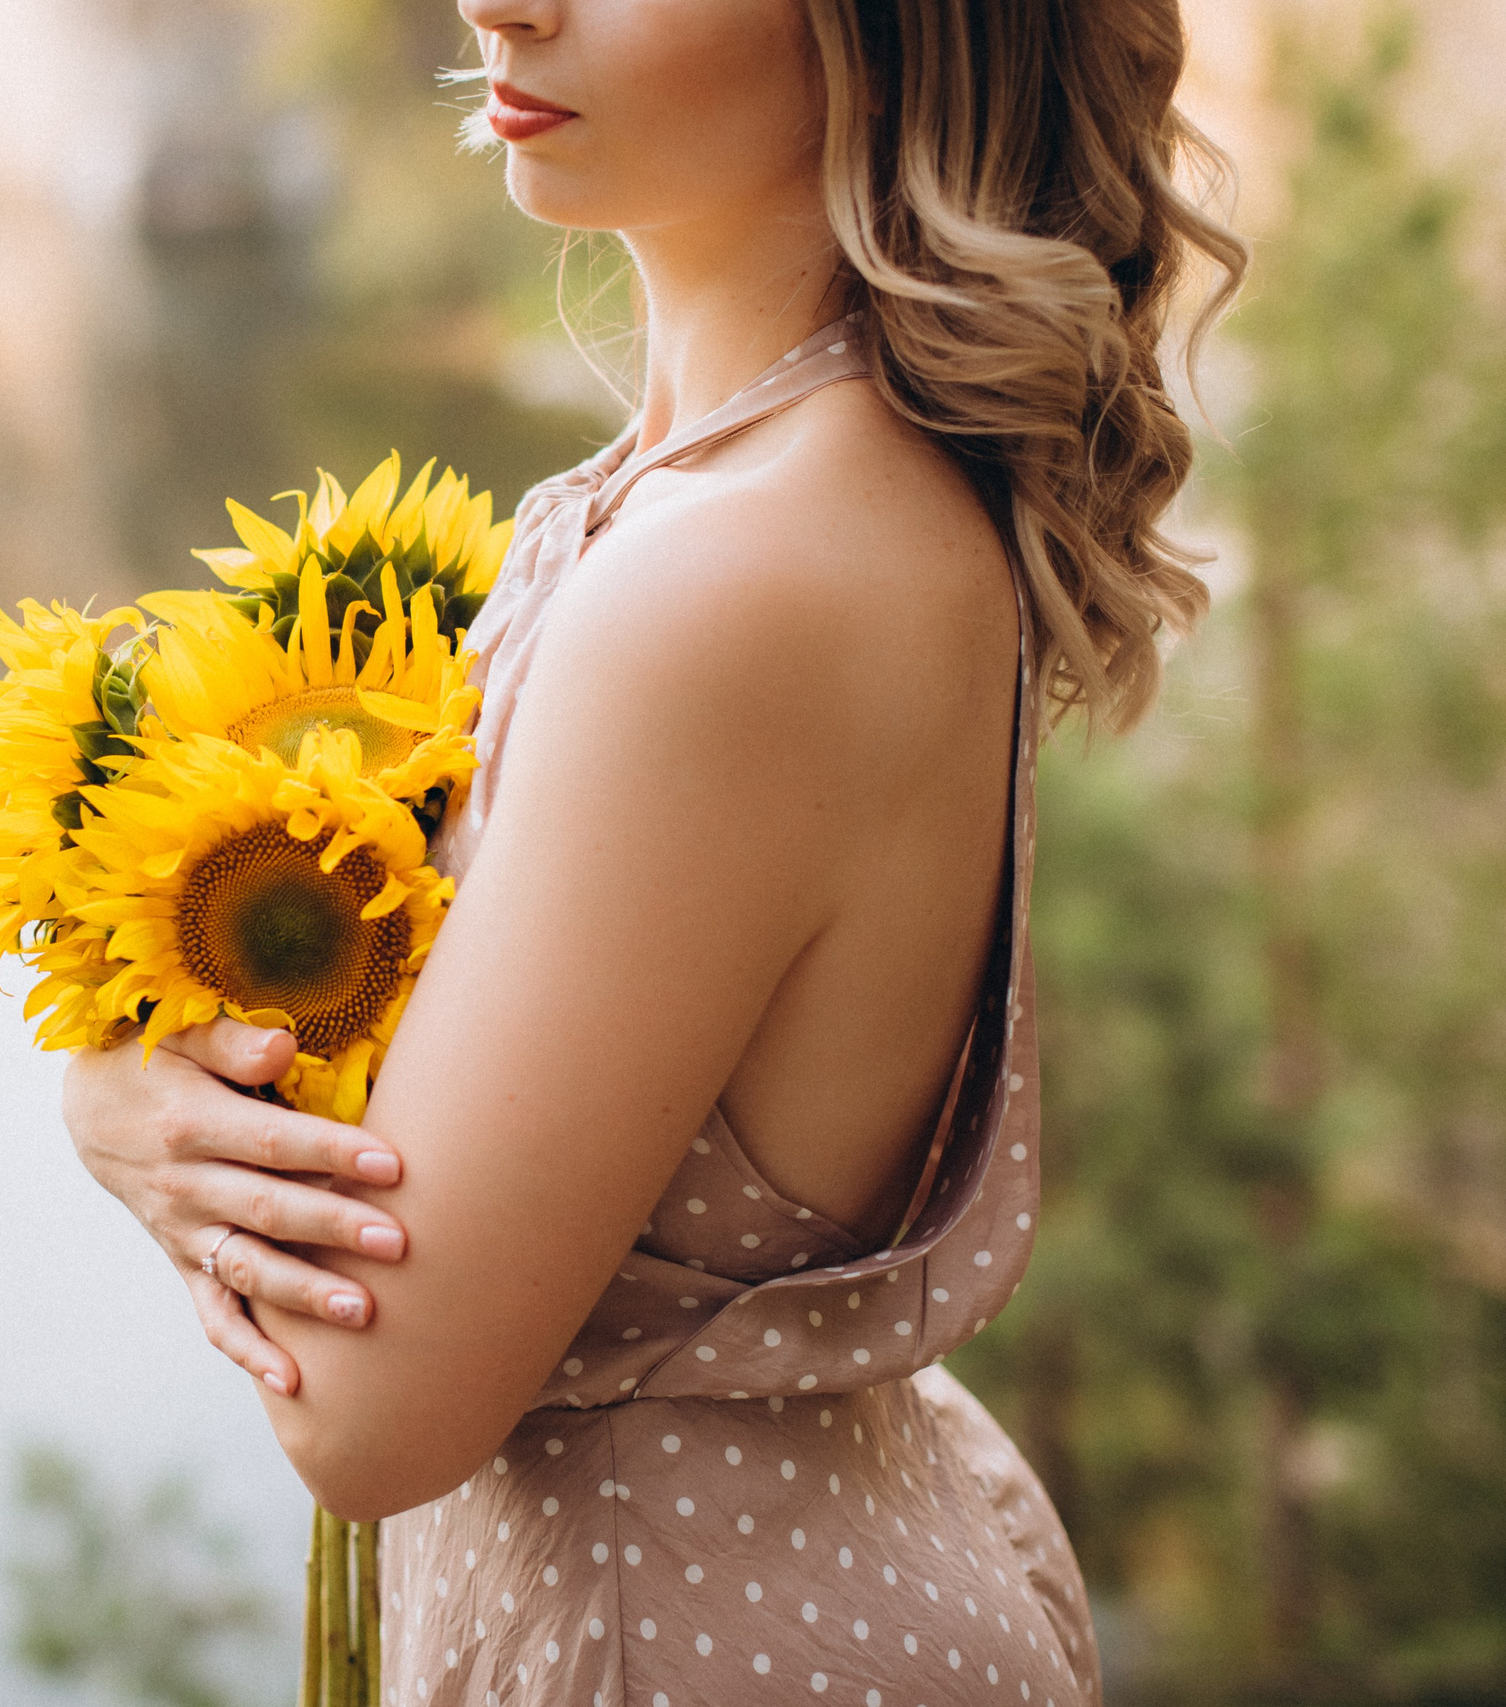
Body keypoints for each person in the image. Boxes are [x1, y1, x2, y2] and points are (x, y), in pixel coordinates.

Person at [63, 1, 1242, 1701]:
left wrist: (135, 1111)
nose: (498, 6)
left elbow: (375, 1419)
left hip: (685, 1637)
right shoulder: (767, 487)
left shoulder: (734, 580)